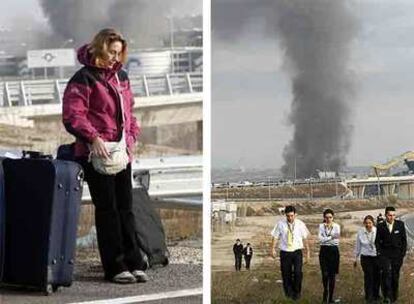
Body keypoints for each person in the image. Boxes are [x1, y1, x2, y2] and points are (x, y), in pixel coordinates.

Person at [62, 28, 147, 284]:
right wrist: (93, 137)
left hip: (121, 153)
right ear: (100, 48)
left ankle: (134, 262)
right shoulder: (84, 79)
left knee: (125, 208)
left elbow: (129, 114)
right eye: (111, 52)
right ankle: (115, 266)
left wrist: (131, 139)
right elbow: (72, 115)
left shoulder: (122, 77)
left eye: (119, 53)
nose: (115, 58)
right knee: (108, 209)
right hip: (95, 153)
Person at [271, 205, 310, 301]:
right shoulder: (280, 224)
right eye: (288, 216)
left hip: (297, 252)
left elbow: (305, 238)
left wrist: (308, 252)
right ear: (285, 215)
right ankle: (288, 294)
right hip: (285, 252)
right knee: (286, 273)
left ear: (295, 215)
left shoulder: (300, 224)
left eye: (292, 216)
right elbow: (275, 237)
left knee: (297, 273)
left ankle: (297, 292)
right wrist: (272, 249)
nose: (290, 218)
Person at [375, 206, 407, 303]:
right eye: (389, 215)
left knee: (395, 275)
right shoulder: (380, 226)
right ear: (385, 215)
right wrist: (379, 252)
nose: (392, 217)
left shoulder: (400, 225)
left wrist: (402, 253)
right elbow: (377, 241)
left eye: (393, 215)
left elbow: (404, 241)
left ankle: (394, 295)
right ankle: (387, 296)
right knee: (386, 274)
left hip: (397, 255)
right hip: (385, 255)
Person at [354, 215, 380, 303]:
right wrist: (355, 258)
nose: (368, 225)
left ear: (373, 223)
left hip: (376, 257)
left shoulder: (377, 231)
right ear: (364, 223)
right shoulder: (360, 232)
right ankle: (369, 296)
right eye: (366, 223)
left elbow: (381, 243)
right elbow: (358, 245)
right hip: (365, 257)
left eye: (370, 223)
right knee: (368, 276)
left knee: (377, 276)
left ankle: (376, 295)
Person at [318, 209, 340, 304]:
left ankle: (330, 298)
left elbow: (336, 240)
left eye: (330, 217)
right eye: (326, 217)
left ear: (333, 217)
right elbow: (320, 240)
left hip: (334, 251)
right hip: (324, 251)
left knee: (332, 275)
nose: (328, 219)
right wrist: (330, 237)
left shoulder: (337, 226)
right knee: (324, 274)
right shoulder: (321, 226)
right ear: (324, 218)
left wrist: (326, 238)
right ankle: (325, 293)